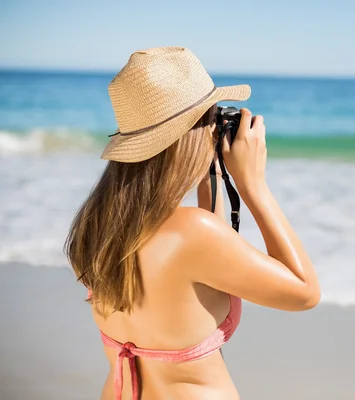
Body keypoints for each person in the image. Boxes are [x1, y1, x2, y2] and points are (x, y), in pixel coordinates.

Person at [64, 46, 320, 400]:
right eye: (212, 118)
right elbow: (304, 293)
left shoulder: (99, 227)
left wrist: (210, 173)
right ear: (195, 131)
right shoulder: (191, 233)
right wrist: (253, 186)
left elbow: (202, 269)